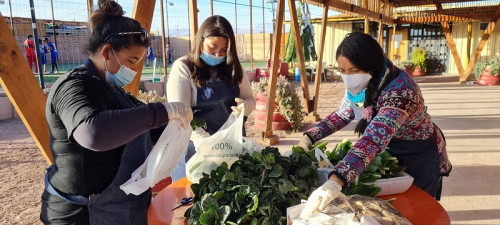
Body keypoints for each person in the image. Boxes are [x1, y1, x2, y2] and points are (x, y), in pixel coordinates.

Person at [40, 1, 192, 224]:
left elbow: (146, 127)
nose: (132, 70)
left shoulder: (114, 91)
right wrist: (162, 111)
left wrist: (177, 125)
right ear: (107, 51)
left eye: (137, 64)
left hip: (120, 211)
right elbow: (93, 133)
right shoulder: (74, 87)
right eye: (131, 61)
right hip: (82, 215)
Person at [298, 32, 452, 218]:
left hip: (417, 154)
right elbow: (341, 114)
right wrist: (310, 136)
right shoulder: (360, 87)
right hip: (389, 150)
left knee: (417, 212)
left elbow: (372, 139)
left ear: (371, 66)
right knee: (389, 212)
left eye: (354, 70)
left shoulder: (401, 90)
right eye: (342, 70)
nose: (348, 77)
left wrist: (336, 180)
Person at [168, 15, 256, 182]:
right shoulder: (184, 68)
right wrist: (205, 143)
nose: (217, 55)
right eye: (212, 47)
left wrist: (246, 107)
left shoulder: (234, 68)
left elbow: (249, 99)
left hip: (231, 147)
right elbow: (181, 116)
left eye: (224, 51)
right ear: (201, 41)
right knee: (190, 200)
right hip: (195, 149)